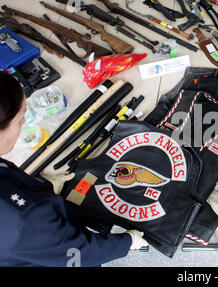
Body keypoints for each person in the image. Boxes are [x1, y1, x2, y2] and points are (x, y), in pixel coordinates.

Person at [0, 71, 149, 267]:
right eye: (21, 118)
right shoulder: (25, 221)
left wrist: (42, 189)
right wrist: (126, 242)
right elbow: (79, 254)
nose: (24, 123)